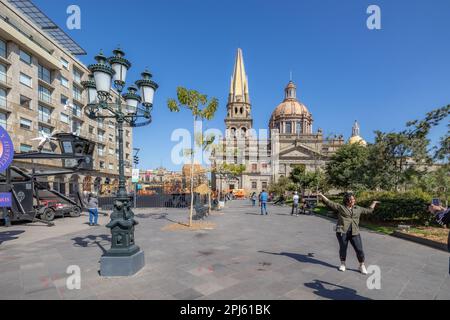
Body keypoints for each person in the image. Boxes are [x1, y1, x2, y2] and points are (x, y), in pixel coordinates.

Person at [318, 192, 380, 274]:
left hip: (355, 232)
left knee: (359, 249)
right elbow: (330, 203)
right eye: (350, 200)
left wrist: (374, 203)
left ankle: (361, 265)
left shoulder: (358, 208)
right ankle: (343, 264)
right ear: (346, 201)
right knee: (343, 248)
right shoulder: (341, 207)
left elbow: (369, 210)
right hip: (342, 232)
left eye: (353, 199)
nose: (352, 201)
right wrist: (321, 195)